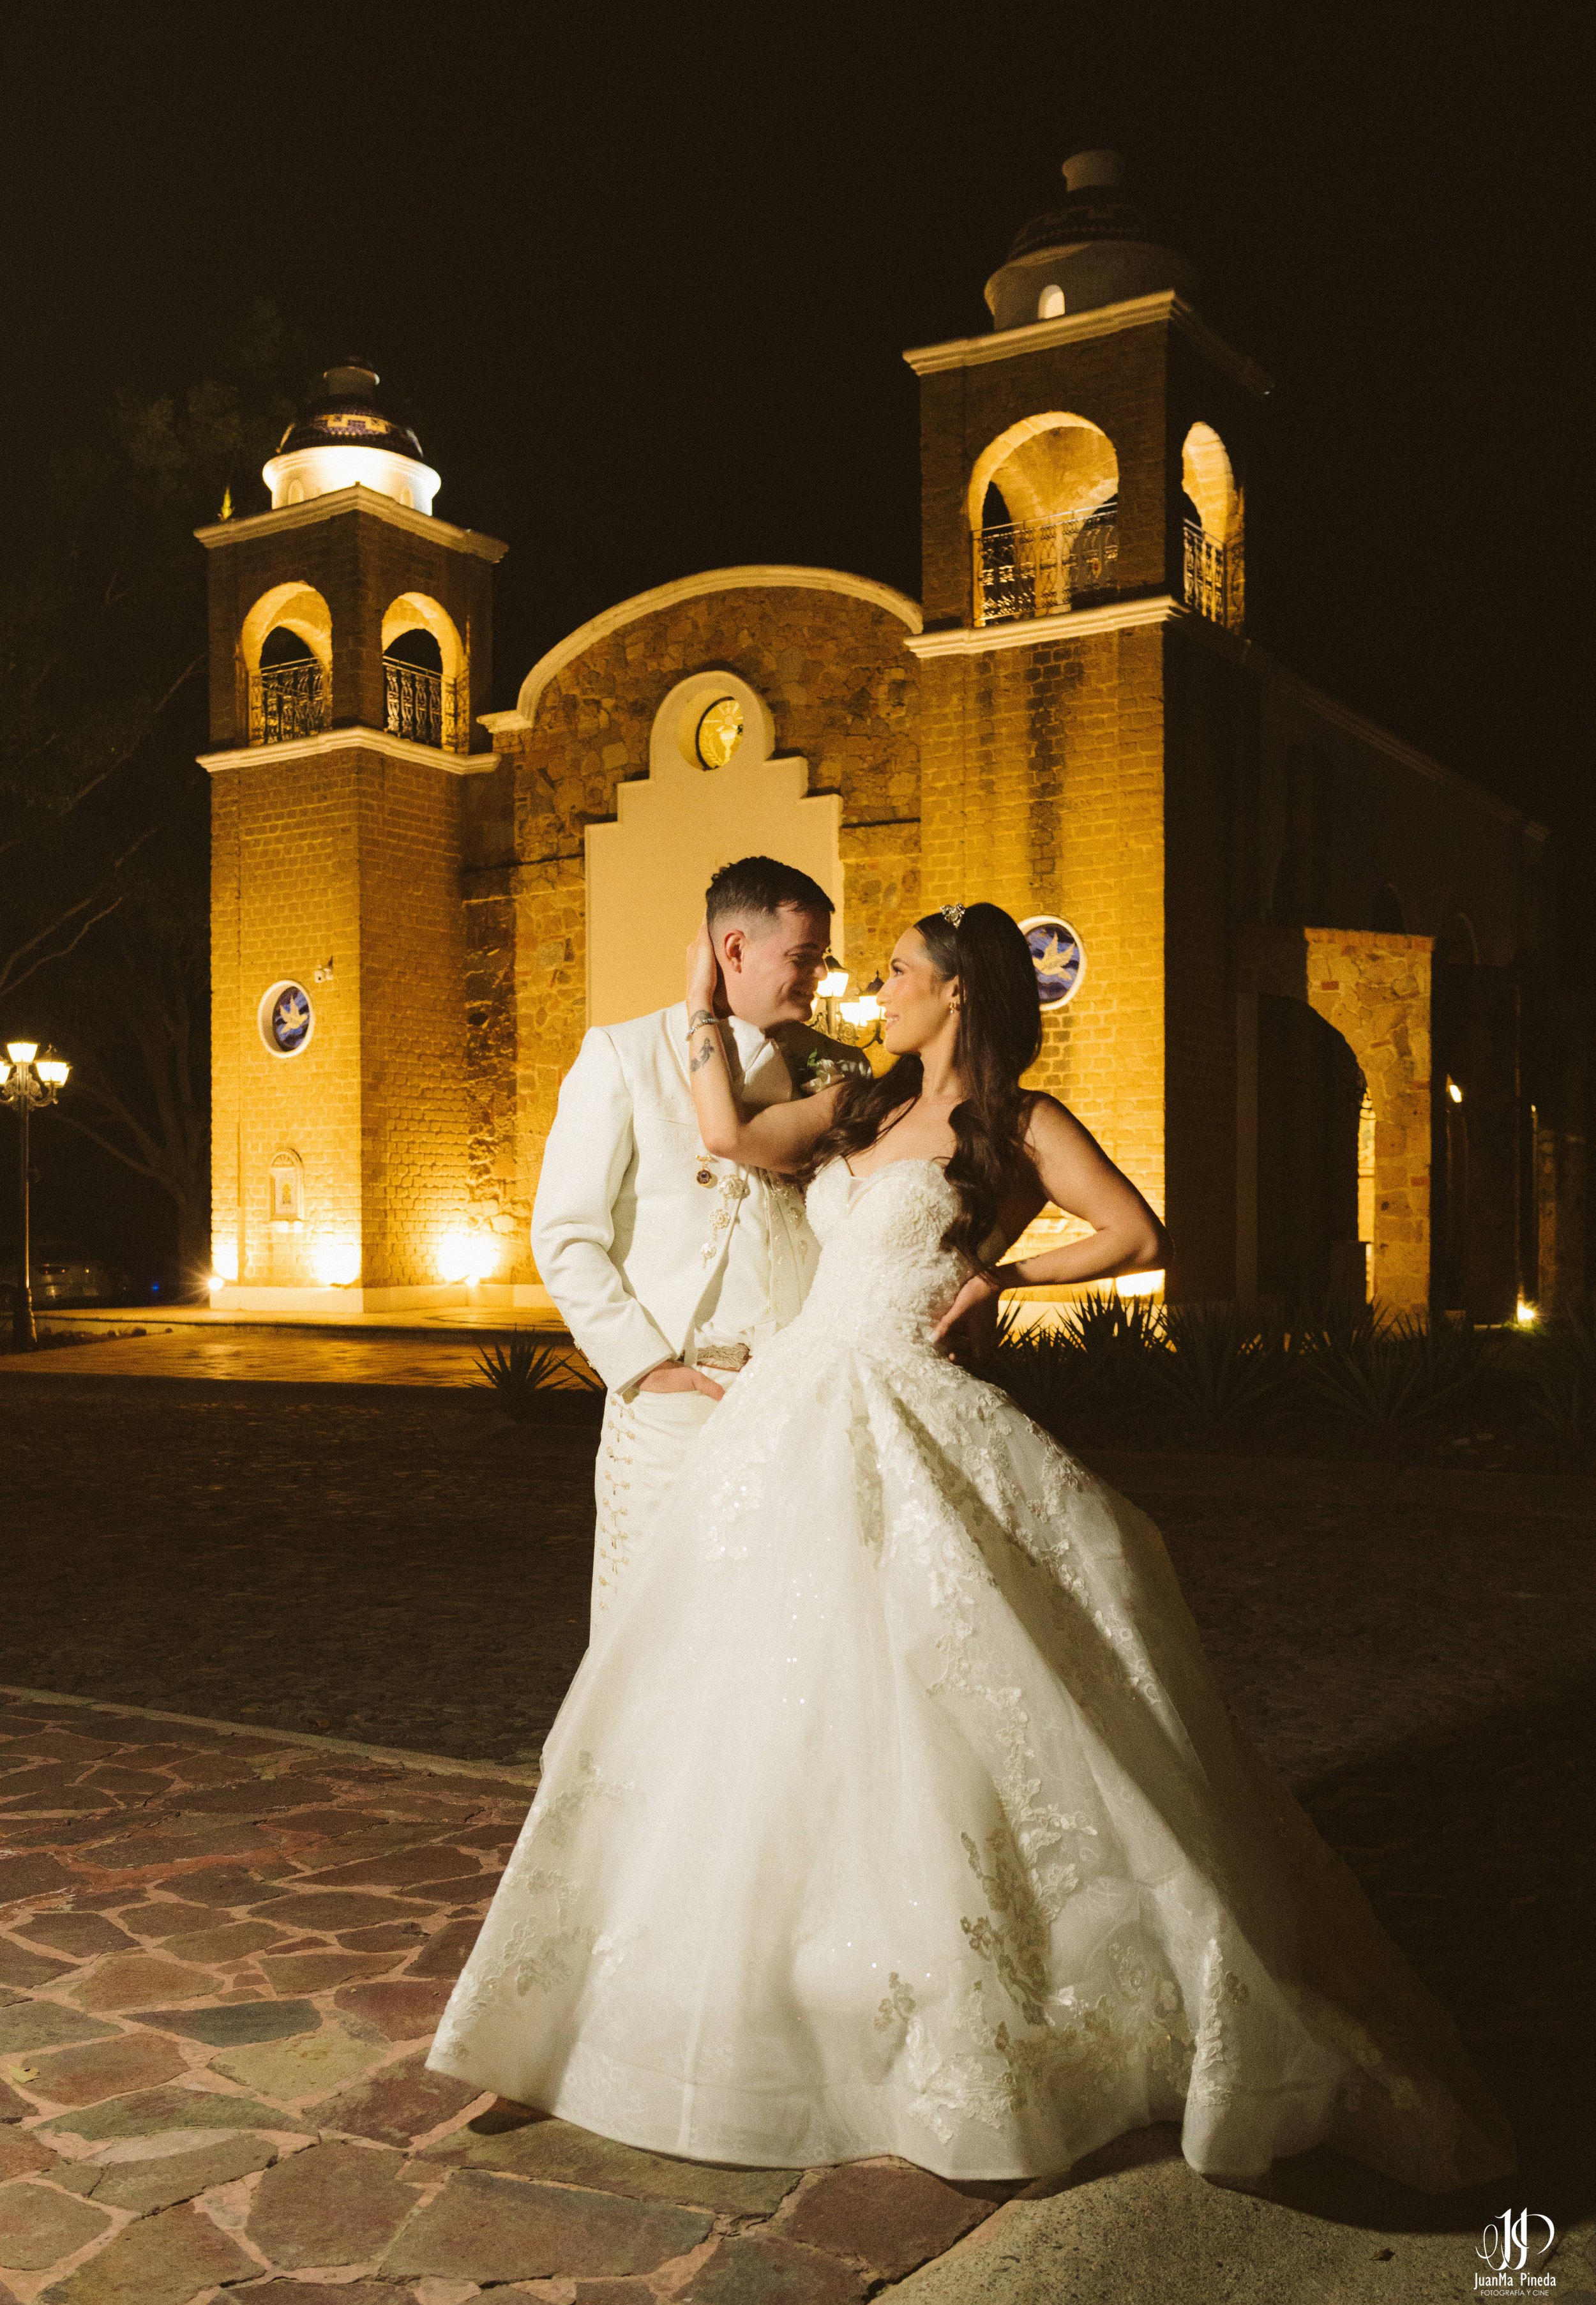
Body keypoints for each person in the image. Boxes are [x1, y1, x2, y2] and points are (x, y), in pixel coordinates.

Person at [432, 901, 1511, 2192]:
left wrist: (1003, 1281)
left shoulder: (1017, 1125)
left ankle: (966, 1987)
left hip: (903, 1400)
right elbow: (724, 1136)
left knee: (941, 1685)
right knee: (746, 1691)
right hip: (791, 1408)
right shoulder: (857, 1105)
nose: (866, 987)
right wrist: (700, 997)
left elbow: (1137, 1236)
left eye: (892, 973)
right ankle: (702, 1984)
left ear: (955, 992)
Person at [530, 855, 864, 1633]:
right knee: (653, 1627)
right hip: (674, 1400)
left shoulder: (835, 1069)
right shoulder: (622, 1054)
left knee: (782, 1630)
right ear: (736, 950)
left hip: (798, 1397)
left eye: (821, 958)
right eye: (803, 958)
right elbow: (566, 1235)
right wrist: (646, 1369)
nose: (817, 977)